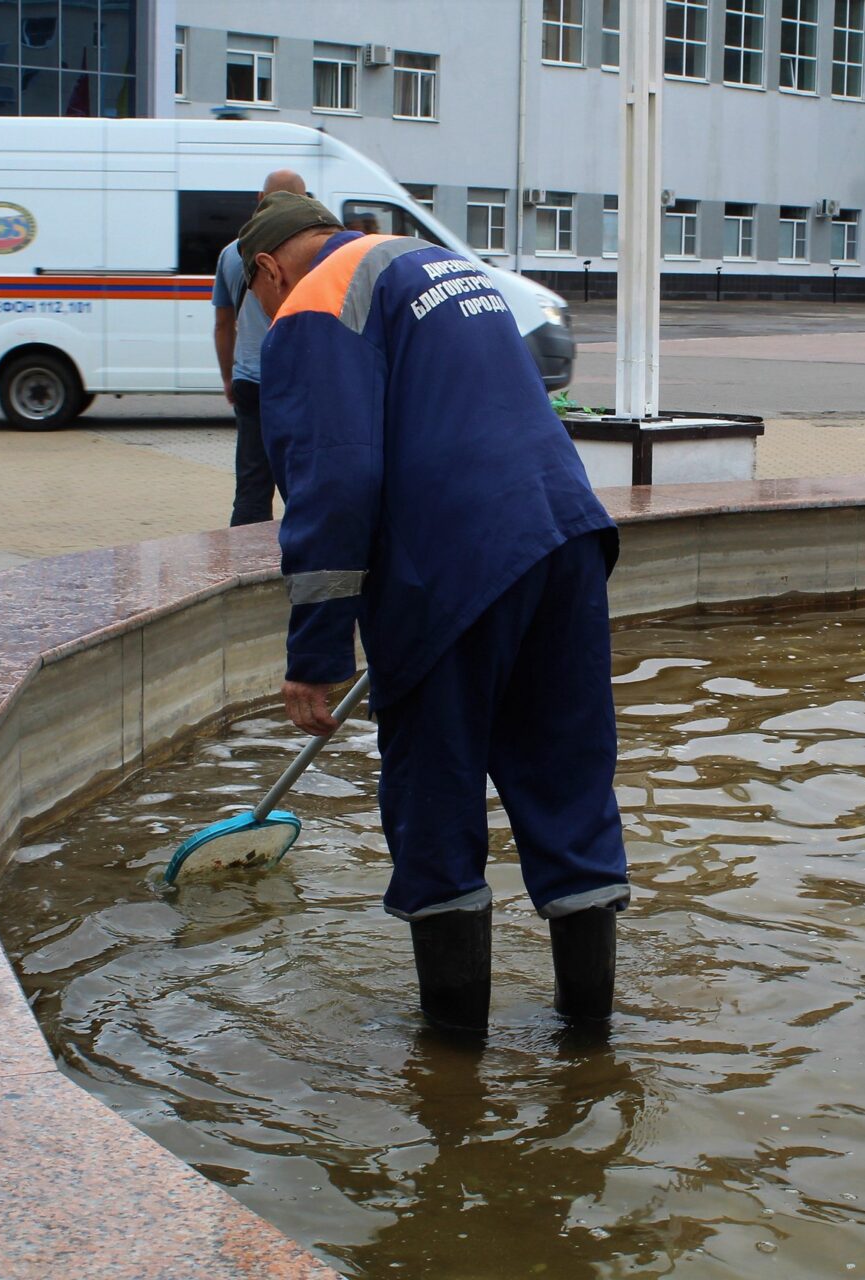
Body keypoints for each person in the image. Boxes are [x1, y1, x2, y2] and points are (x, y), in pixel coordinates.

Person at [238, 191, 629, 1036]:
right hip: (566, 537)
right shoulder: (439, 265)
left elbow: (332, 481)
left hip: (450, 563)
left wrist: (315, 654)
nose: (265, 314)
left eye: (256, 300)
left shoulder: (312, 302)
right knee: (568, 783)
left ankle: (453, 1070)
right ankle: (589, 1042)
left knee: (435, 799)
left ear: (268, 268)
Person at [211, 169, 305, 526]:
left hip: (250, 379)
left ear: (259, 200)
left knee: (251, 487)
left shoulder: (231, 254)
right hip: (298, 383)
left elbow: (223, 325)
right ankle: (303, 563)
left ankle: (246, 567)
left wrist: (228, 377)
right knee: (302, 484)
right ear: (305, 200)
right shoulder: (313, 253)